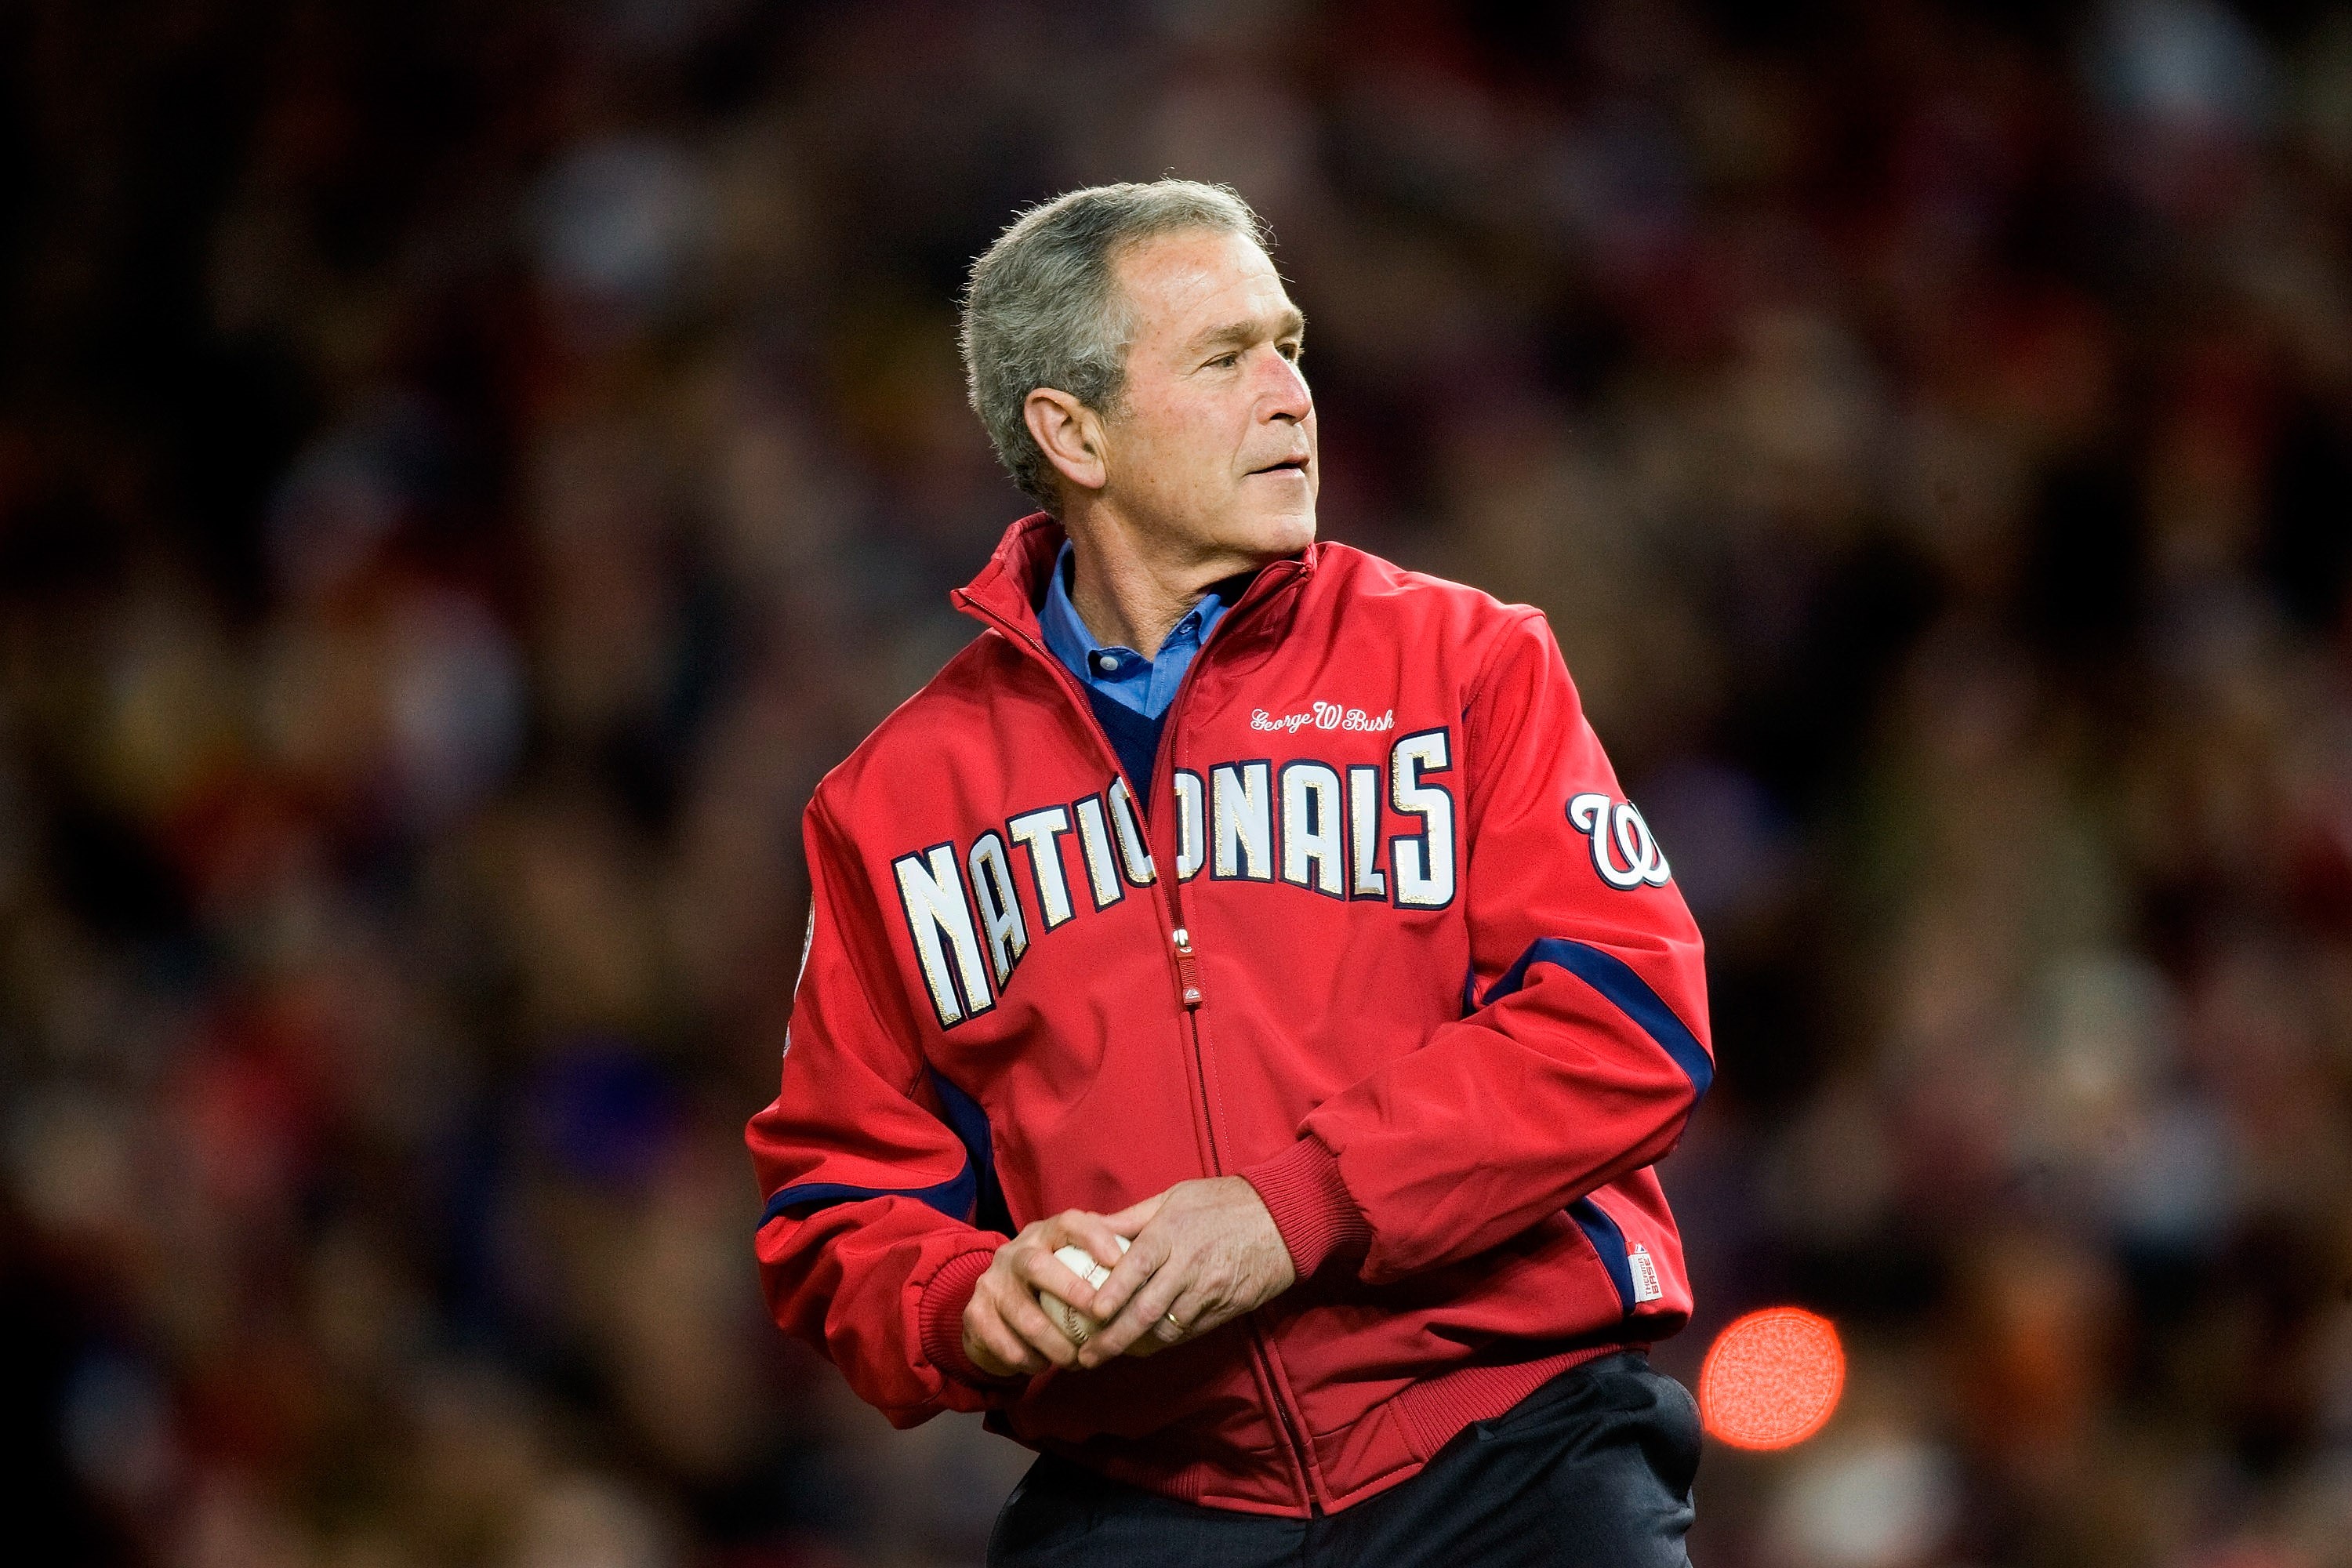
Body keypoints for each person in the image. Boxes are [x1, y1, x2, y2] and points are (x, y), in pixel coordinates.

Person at [745, 180, 1713, 1566]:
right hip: (1155, 1489)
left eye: (1291, 346)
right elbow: (833, 1204)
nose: (1289, 396)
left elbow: (1629, 1022)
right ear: (1071, 432)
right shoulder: (895, 801)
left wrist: (1296, 1207)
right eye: (1224, 358)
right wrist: (968, 1297)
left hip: (1510, 1450)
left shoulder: (1465, 665)